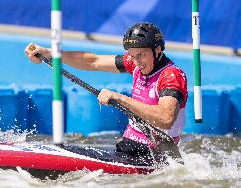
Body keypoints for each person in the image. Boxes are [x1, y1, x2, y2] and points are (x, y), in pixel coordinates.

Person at [25, 22, 188, 166]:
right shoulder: (137, 64)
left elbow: (165, 118)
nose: (136, 61)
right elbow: (92, 61)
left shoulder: (171, 76)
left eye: (141, 55)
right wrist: (49, 53)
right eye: (132, 55)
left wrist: (120, 98)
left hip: (150, 157)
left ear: (157, 50)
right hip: (128, 150)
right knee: (66, 150)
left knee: (66, 152)